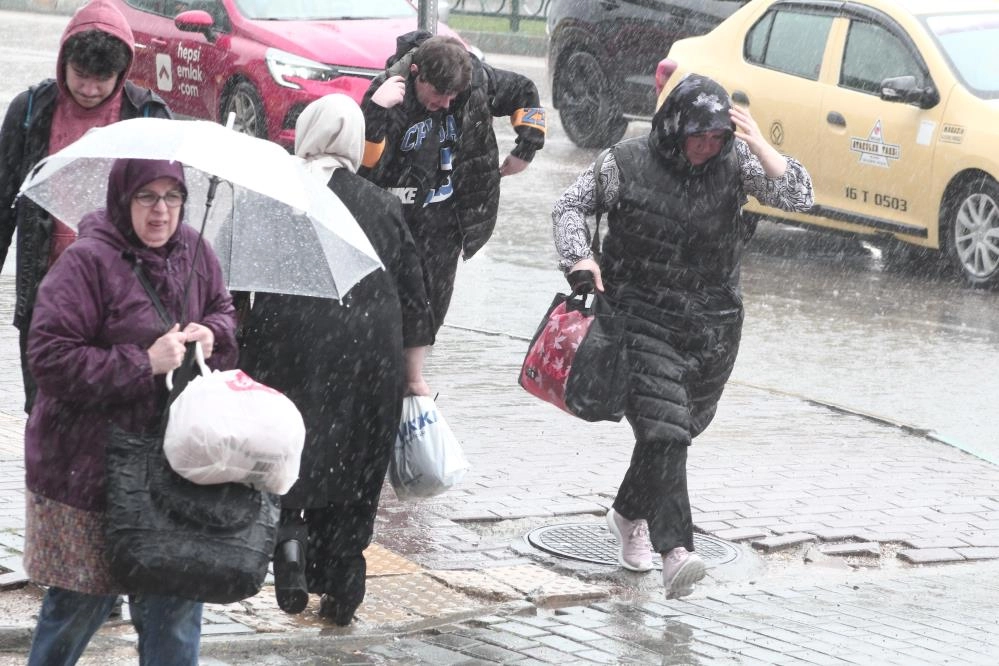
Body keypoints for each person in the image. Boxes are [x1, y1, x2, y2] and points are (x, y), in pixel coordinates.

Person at [551, 74, 814, 599]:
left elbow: (800, 196)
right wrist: (579, 258)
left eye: (717, 137)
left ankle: (628, 514)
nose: (707, 147)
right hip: (640, 316)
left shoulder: (736, 162)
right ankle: (676, 552)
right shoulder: (623, 162)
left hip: (713, 325)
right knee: (667, 429)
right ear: (674, 127)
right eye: (699, 137)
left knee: (676, 429)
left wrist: (759, 144)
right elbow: (569, 207)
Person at [23, 158, 238, 665]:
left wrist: (213, 333)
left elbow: (223, 312)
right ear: (123, 199)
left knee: (174, 611)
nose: (161, 211)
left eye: (172, 197)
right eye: (146, 196)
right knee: (80, 605)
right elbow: (49, 358)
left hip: (173, 469)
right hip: (90, 471)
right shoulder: (85, 262)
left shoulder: (197, 252)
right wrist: (143, 363)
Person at [238, 94, 435, 624]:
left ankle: (289, 544)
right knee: (354, 468)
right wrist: (414, 377)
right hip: (366, 356)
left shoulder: (273, 196)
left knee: (287, 454)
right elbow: (416, 301)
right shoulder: (382, 205)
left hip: (284, 349)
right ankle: (343, 582)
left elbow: (237, 282)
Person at [0, 0, 171, 414]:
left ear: (122, 73)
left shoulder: (147, 116)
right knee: (45, 410)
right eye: (81, 75)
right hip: (45, 297)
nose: (90, 89)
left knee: (110, 415)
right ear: (63, 62)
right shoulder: (30, 111)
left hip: (122, 299)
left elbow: (167, 213)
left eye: (103, 79)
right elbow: (3, 203)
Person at [359, 31, 546, 334]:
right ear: (416, 73)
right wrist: (376, 111)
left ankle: (418, 355)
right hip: (399, 220)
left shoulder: (477, 81)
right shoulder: (388, 92)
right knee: (389, 313)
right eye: (438, 94)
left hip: (447, 222)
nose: (446, 103)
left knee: (431, 314)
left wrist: (526, 148)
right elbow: (366, 167)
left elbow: (524, 90)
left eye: (453, 95)